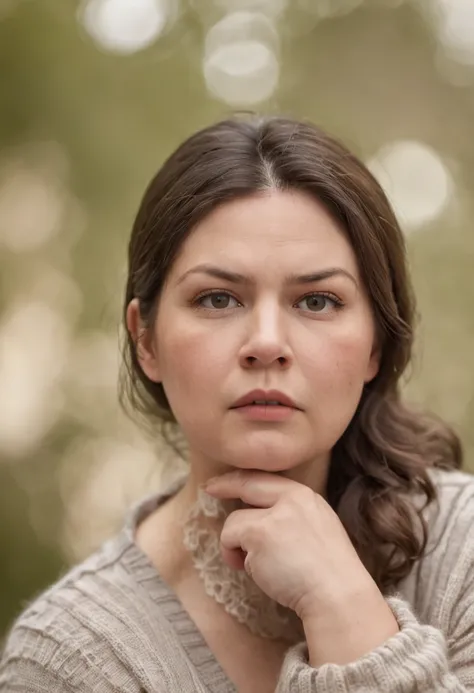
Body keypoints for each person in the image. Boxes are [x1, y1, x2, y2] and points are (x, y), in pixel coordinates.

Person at [0, 115, 473, 693]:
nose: (267, 343)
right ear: (145, 339)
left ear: (376, 343)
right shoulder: (71, 657)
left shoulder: (461, 555)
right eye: (218, 298)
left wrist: (343, 606)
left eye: (318, 301)